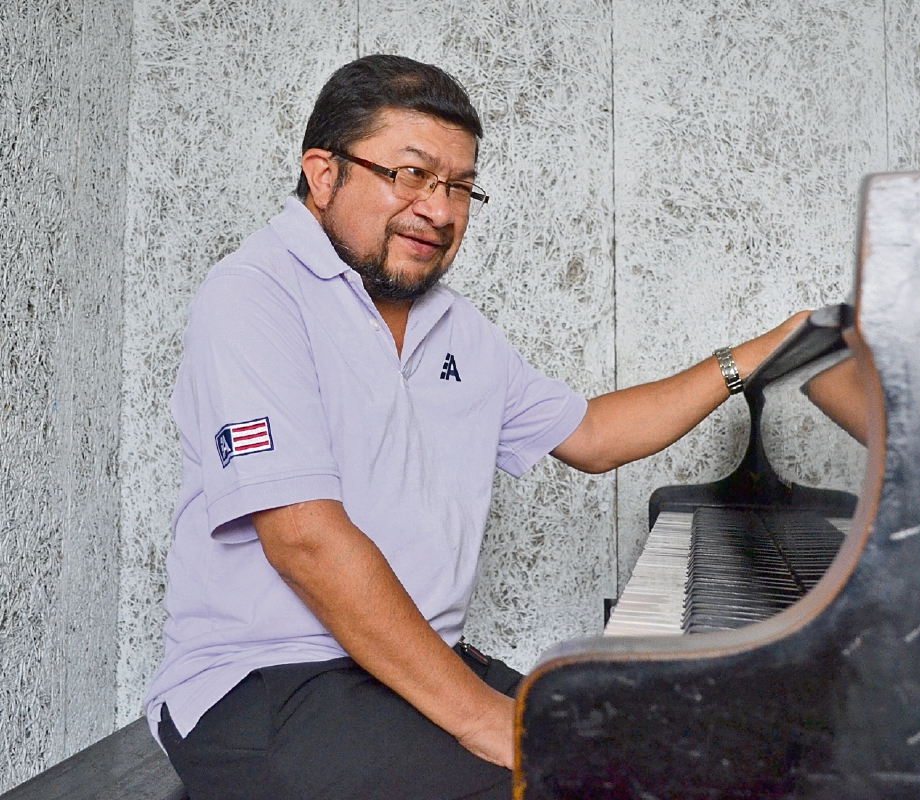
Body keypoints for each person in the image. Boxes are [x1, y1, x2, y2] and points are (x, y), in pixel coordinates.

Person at [143, 54, 866, 800]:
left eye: (459, 186)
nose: (438, 209)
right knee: (586, 783)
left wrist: (756, 352)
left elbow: (590, 436)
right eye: (412, 174)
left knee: (658, 741)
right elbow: (303, 538)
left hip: (405, 670)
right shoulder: (252, 295)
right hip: (263, 684)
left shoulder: (457, 327)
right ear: (323, 174)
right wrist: (487, 720)